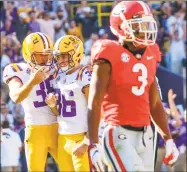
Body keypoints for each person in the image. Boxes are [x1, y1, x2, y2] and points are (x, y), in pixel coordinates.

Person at [87, 1, 179, 171]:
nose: (145, 30)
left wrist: (168, 139)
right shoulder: (108, 52)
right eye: (139, 25)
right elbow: (95, 101)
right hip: (118, 132)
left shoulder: (151, 52)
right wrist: (93, 143)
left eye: (147, 24)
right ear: (121, 27)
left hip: (147, 135)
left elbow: (155, 103)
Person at [3, 32, 58, 171]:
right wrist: (32, 82)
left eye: (48, 54)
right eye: (40, 54)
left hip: (59, 127)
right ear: (29, 54)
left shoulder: (58, 67)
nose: (45, 59)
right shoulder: (17, 69)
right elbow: (15, 97)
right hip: (35, 129)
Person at [45, 35, 92, 171]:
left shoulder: (85, 74)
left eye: (64, 56)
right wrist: (53, 105)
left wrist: (87, 141)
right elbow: (60, 113)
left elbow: (95, 109)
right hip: (63, 137)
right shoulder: (59, 77)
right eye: (58, 57)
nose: (61, 60)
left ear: (76, 53)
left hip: (81, 136)